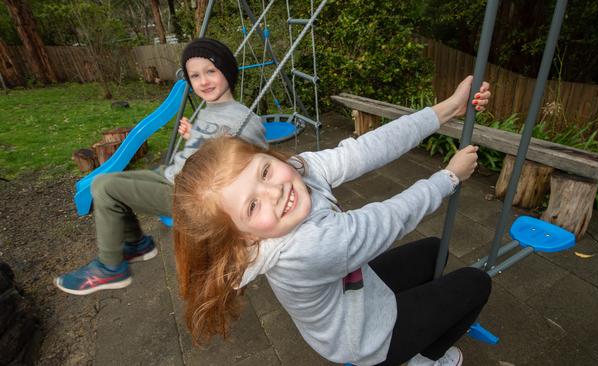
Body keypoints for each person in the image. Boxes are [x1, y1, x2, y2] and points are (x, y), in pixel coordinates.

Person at [173, 76, 492, 366]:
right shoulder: (307, 248)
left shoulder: (297, 169)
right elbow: (389, 218)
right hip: (363, 338)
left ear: (267, 155)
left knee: (436, 250)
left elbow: (368, 149)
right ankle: (421, 359)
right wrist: (449, 177)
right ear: (245, 238)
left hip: (357, 291)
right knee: (476, 284)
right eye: (253, 205)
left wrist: (447, 109)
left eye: (265, 171)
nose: (276, 192)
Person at [54, 38, 268, 296]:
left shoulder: (245, 119)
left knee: (105, 187)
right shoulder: (208, 108)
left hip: (191, 197)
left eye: (211, 71)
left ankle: (111, 268)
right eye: (195, 76)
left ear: (227, 71)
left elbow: (259, 166)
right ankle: (137, 245)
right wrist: (193, 136)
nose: (203, 81)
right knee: (115, 179)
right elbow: (210, 145)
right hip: (172, 176)